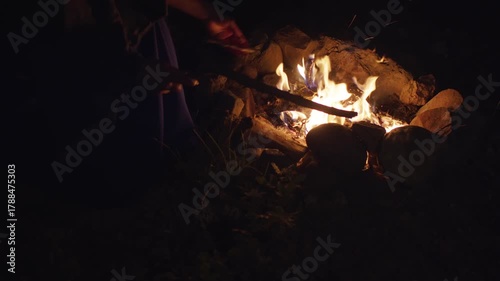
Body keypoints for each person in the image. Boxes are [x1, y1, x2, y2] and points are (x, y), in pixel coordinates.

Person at [32, 0, 249, 207]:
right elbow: (67, 40)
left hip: (129, 31)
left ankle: (169, 158)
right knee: (118, 163)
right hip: (83, 62)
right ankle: (105, 180)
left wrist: (207, 12)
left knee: (165, 139)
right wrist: (130, 69)